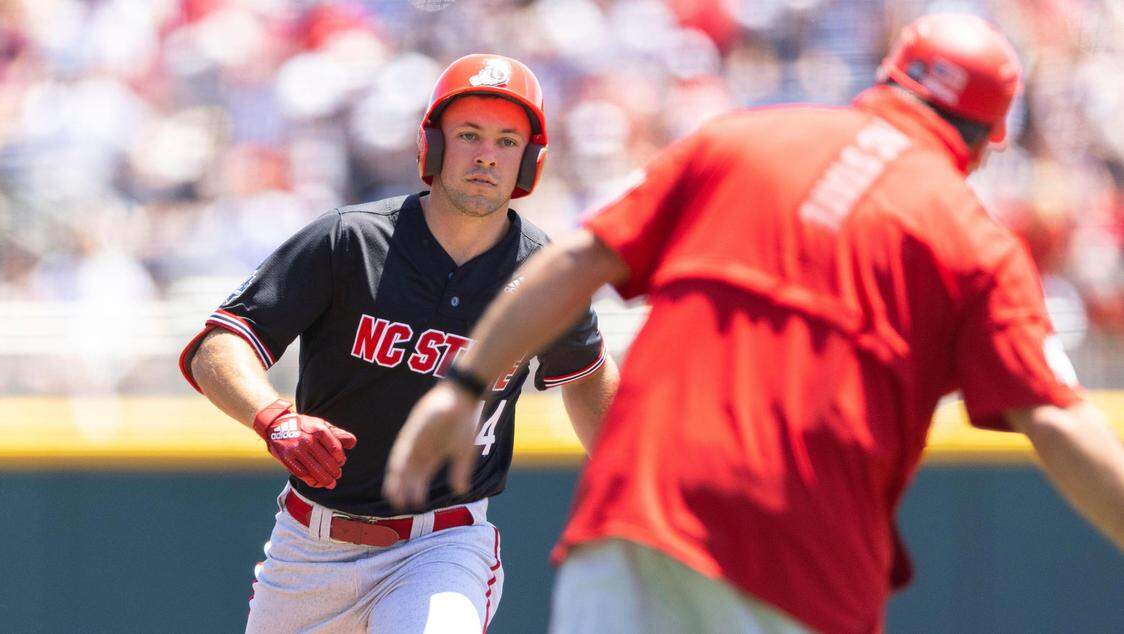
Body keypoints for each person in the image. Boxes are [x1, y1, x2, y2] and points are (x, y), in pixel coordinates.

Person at [384, 15, 1124, 634]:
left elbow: (578, 259)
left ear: (888, 78)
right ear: (988, 137)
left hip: (633, 519)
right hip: (802, 562)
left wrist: (463, 385)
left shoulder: (740, 139)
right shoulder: (974, 240)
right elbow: (1057, 421)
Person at [179, 53, 618, 633]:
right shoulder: (350, 240)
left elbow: (587, 380)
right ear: (431, 146)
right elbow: (219, 346)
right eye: (468, 134)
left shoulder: (545, 275)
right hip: (310, 546)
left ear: (530, 161)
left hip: (441, 543)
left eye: (507, 140)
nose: (487, 154)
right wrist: (273, 418)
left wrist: (642, 486)